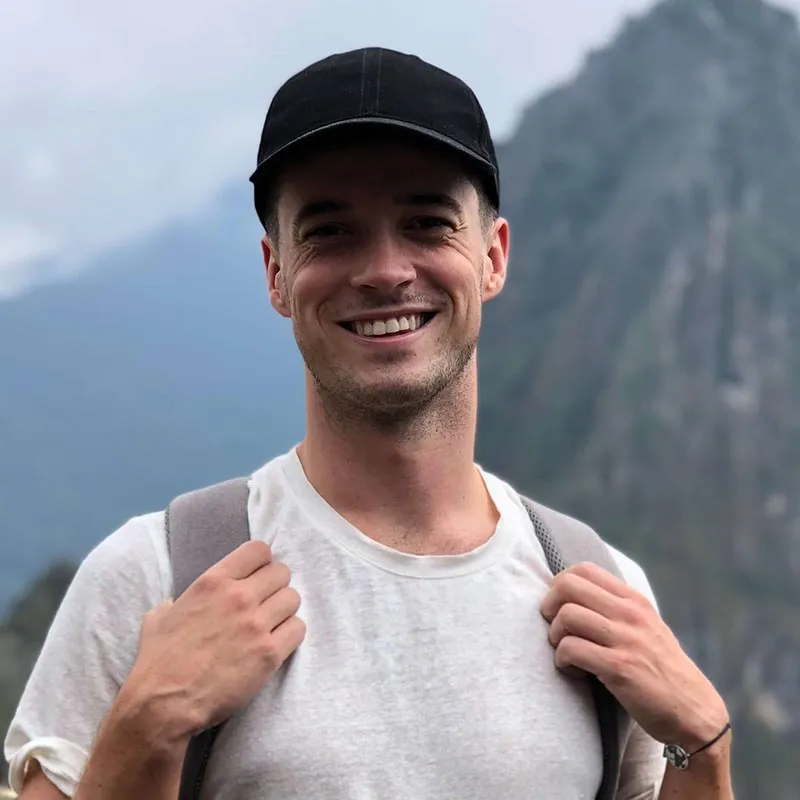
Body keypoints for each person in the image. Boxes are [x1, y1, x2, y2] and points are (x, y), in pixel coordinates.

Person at [5, 48, 733, 800]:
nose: (385, 270)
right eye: (331, 232)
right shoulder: (155, 579)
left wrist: (704, 748)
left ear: (492, 256)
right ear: (276, 274)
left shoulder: (599, 590)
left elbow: (693, 749)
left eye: (426, 224)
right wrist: (148, 725)